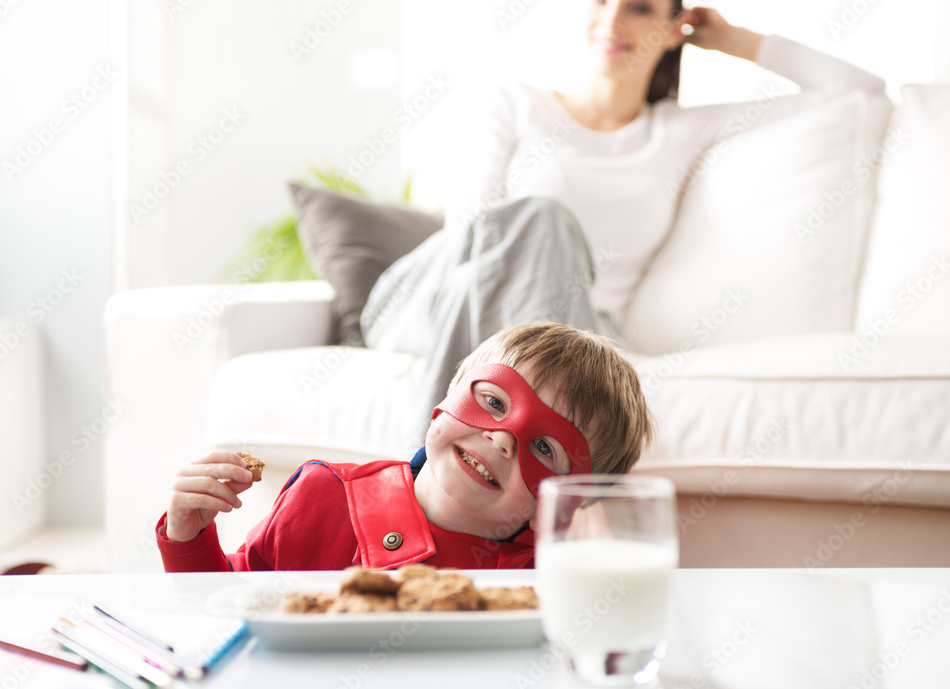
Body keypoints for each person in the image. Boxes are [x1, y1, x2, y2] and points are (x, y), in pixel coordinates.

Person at [361, 2, 886, 445]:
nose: (613, 21)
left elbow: (859, 87)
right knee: (536, 223)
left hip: (578, 329)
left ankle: (423, 480)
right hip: (426, 298)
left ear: (675, 27)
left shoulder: (678, 131)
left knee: (536, 307)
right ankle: (541, 455)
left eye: (639, 7)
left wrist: (730, 38)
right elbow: (472, 236)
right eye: (601, 1)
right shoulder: (517, 102)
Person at [155, 322, 654, 572]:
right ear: (448, 393)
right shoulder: (323, 498)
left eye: (545, 448)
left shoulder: (551, 573)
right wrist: (189, 539)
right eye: (494, 401)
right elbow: (233, 614)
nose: (502, 439)